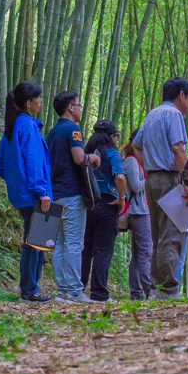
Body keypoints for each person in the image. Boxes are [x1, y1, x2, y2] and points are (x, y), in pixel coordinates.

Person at [132, 77, 188, 299]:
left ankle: (156, 286)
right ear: (181, 95)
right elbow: (178, 149)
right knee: (172, 232)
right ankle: (168, 288)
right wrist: (187, 181)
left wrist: (149, 166)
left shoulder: (152, 114)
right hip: (169, 179)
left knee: (158, 234)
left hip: (152, 180)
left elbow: (135, 145)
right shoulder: (174, 115)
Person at [0, 81, 54, 303]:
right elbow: (33, 161)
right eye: (38, 98)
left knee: (36, 240)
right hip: (36, 193)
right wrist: (40, 191)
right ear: (29, 103)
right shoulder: (28, 126)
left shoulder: (13, 125)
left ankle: (31, 289)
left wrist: (16, 182)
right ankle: (29, 290)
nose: (40, 102)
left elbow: (0, 164)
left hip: (23, 193)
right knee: (36, 242)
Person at [46, 91, 101, 303]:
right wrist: (93, 157)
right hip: (71, 194)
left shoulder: (51, 132)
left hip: (52, 194)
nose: (80, 108)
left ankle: (63, 290)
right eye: (78, 104)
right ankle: (75, 290)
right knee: (74, 243)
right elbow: (79, 158)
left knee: (58, 243)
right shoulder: (73, 130)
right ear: (70, 107)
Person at [81, 120, 126, 302]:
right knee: (103, 251)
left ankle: (78, 289)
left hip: (87, 204)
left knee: (85, 250)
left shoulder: (85, 153)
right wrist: (122, 199)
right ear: (111, 136)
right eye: (116, 136)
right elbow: (120, 177)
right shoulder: (112, 153)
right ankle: (99, 293)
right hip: (107, 204)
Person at [122, 129, 152, 300]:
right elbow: (136, 185)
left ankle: (137, 291)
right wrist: (153, 178)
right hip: (138, 211)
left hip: (142, 210)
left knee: (138, 253)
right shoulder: (132, 161)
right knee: (145, 252)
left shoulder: (139, 161)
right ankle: (148, 289)